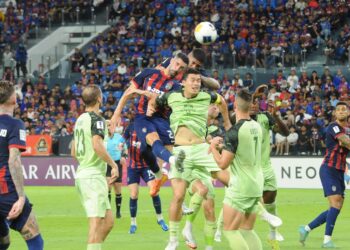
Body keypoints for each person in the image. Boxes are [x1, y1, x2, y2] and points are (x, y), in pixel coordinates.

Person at [150, 68, 231, 250]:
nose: (196, 84)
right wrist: (150, 107)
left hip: (202, 149)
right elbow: (155, 100)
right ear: (183, 82)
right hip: (181, 152)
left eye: (198, 81)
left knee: (232, 182)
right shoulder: (171, 96)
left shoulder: (207, 96)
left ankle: (220, 228)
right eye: (193, 80)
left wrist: (226, 122)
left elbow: (222, 100)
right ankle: (173, 241)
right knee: (178, 196)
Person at [110, 53, 189, 197]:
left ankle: (161, 180)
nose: (177, 69)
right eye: (177, 64)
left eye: (182, 68)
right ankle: (171, 163)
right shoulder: (148, 74)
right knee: (153, 141)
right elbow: (129, 92)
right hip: (143, 118)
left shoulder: (177, 87)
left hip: (162, 120)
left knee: (166, 150)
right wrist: (117, 113)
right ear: (171, 61)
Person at [210, 89, 263, 250]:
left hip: (241, 186)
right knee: (247, 230)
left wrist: (212, 146)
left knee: (230, 230)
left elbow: (222, 164)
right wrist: (224, 146)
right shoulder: (256, 126)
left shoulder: (235, 132)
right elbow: (241, 149)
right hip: (256, 184)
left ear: (234, 106)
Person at [71, 84, 119, 250]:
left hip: (85, 174)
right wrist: (113, 165)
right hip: (92, 177)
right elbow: (97, 145)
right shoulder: (95, 120)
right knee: (96, 222)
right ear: (100, 98)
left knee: (108, 221)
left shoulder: (80, 120)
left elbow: (73, 151)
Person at [299, 102, 350, 248]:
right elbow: (346, 141)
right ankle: (326, 241)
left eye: (344, 109)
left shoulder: (347, 129)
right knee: (335, 204)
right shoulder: (334, 127)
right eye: (338, 109)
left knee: (336, 207)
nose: (341, 111)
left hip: (340, 170)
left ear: (348, 113)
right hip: (329, 168)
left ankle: (306, 229)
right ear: (334, 113)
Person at [0, 80, 44, 250]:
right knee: (34, 237)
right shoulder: (15, 124)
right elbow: (14, 160)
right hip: (6, 190)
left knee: (3, 241)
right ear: (14, 100)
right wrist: (20, 196)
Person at [250, 86, 290, 249]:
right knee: (242, 203)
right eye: (251, 101)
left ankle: (273, 232)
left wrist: (277, 117)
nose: (254, 104)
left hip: (265, 166)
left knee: (271, 198)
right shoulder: (239, 118)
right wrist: (252, 95)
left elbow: (285, 132)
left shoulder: (266, 117)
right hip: (247, 168)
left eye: (257, 101)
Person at [123, 122, 168, 234]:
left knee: (154, 192)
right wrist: (122, 149)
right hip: (132, 167)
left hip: (146, 166)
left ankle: (160, 218)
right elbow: (123, 140)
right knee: (133, 194)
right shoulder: (130, 126)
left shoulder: (149, 127)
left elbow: (155, 144)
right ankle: (133, 223)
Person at [106, 124, 126, 218]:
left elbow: (124, 148)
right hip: (107, 163)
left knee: (117, 188)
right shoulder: (103, 137)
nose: (109, 127)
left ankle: (118, 211)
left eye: (111, 126)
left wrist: (123, 156)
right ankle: (108, 211)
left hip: (117, 163)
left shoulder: (119, 137)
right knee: (108, 187)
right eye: (108, 126)